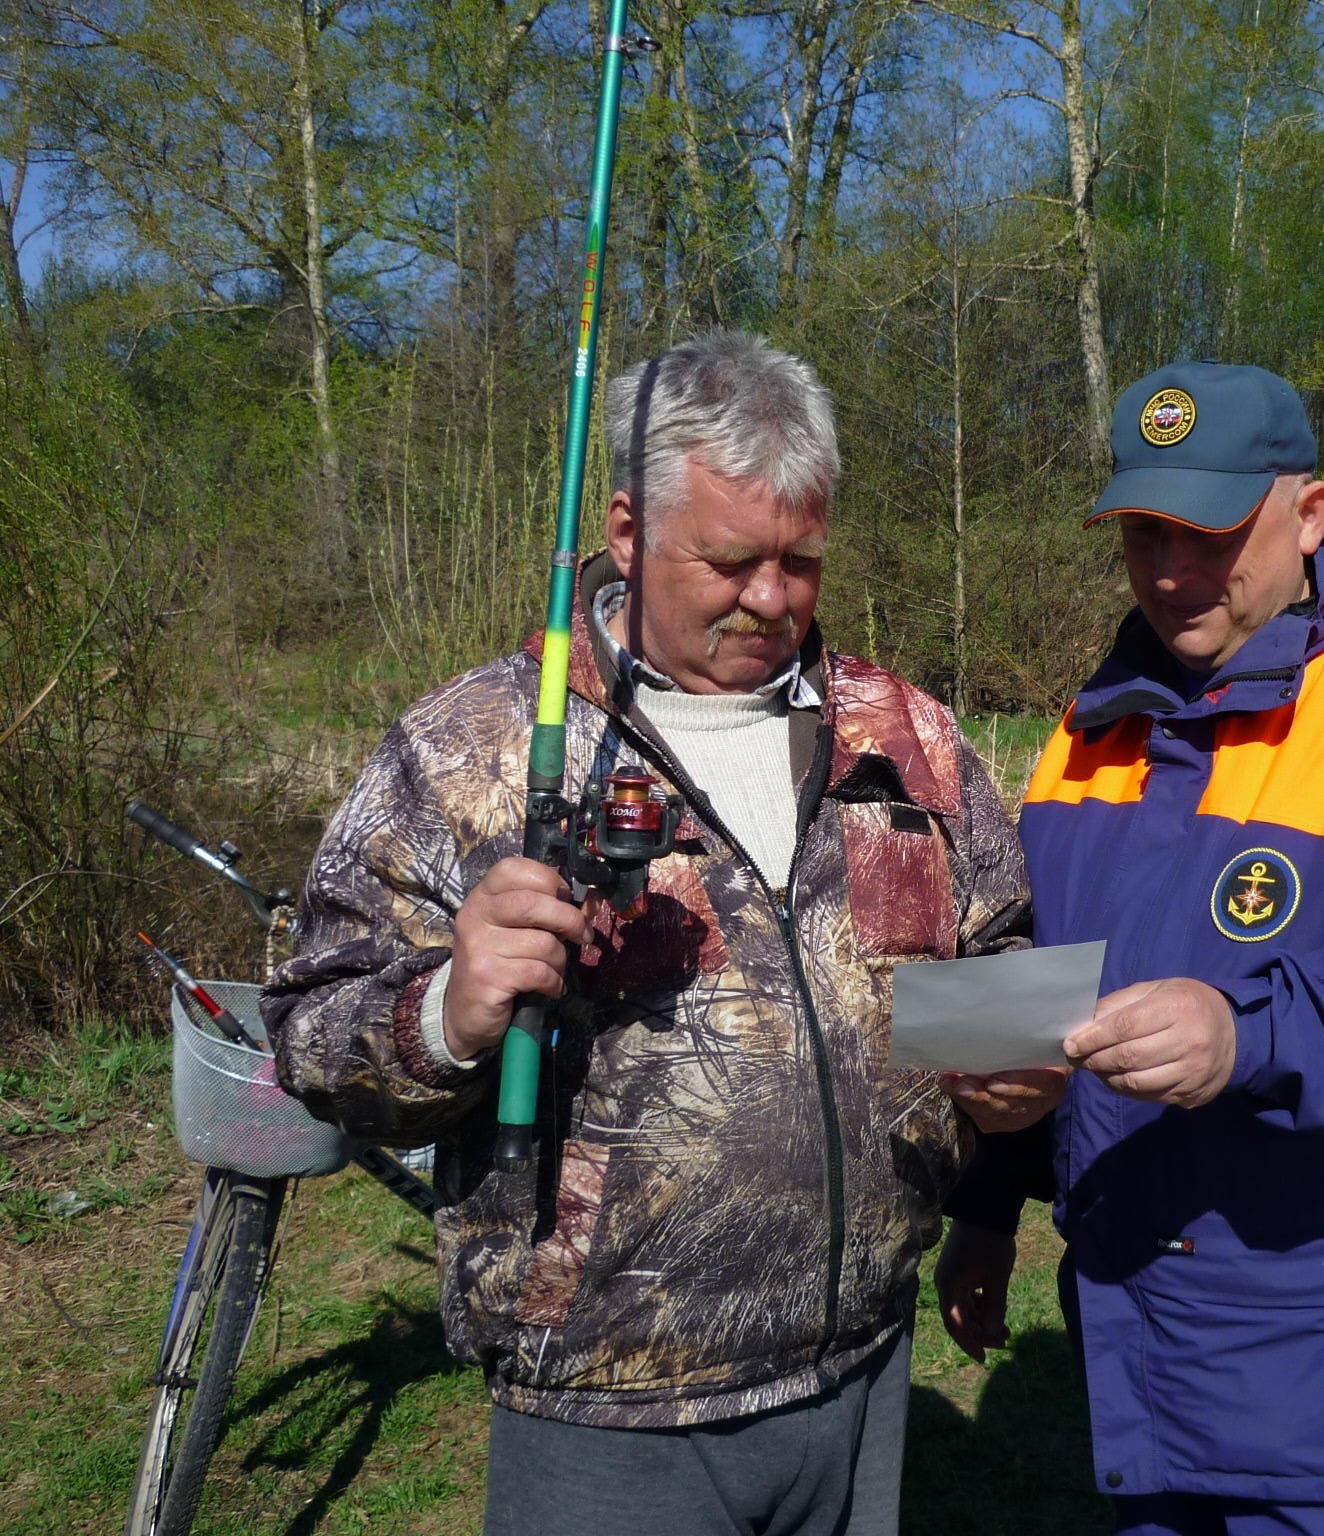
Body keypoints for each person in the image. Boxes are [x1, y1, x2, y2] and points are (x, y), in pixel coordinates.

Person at [265, 330, 1061, 1536]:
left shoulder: (903, 735)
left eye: (801, 561)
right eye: (731, 560)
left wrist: (1014, 1074)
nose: (771, 598)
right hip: (607, 1408)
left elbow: (1000, 948)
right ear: (629, 533)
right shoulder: (472, 749)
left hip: (864, 1364)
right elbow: (311, 1035)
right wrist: (446, 1011)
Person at [936, 361, 1324, 1534]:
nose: (1172, 573)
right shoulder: (1088, 728)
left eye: (1210, 534)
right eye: (1142, 535)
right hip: (1146, 1376)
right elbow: (1042, 988)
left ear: (1310, 515)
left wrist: (1249, 1035)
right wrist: (987, 1192)